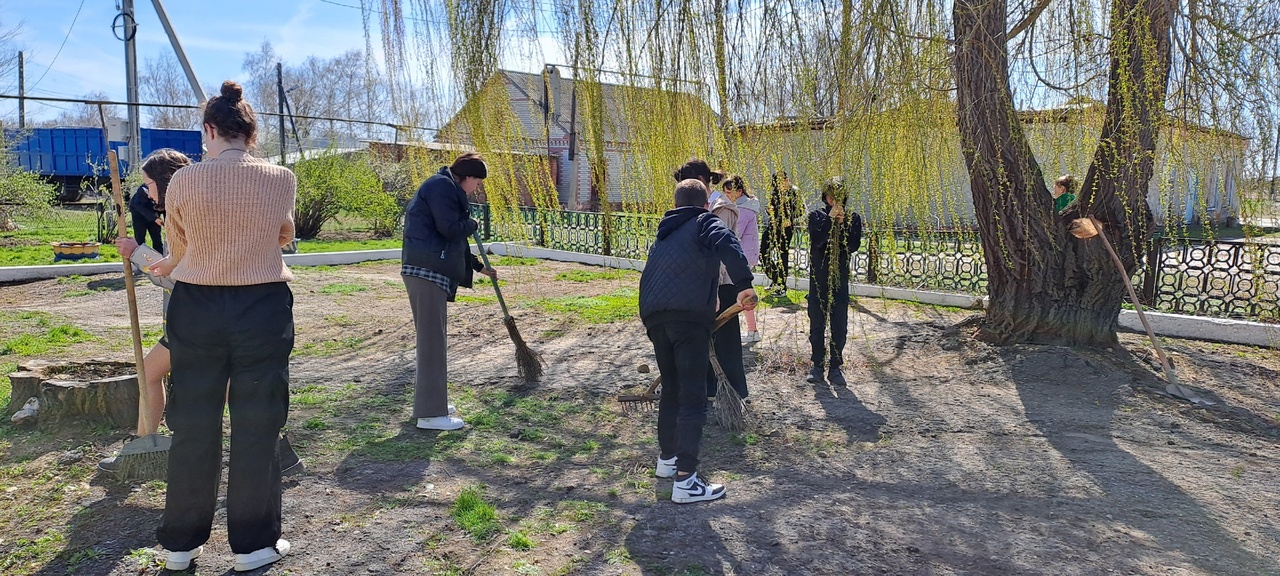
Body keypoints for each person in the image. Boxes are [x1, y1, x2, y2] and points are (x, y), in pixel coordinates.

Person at [148, 81, 296, 573]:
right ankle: (254, 545)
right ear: (250, 133)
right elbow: (284, 237)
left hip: (197, 307)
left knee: (193, 420)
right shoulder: (282, 178)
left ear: (211, 129)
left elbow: (182, 246)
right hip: (262, 304)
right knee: (258, 421)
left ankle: (180, 545)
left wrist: (186, 259)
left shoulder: (183, 182)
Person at [99, 148, 302, 480]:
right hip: (208, 315)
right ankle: (145, 448)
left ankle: (271, 452)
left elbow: (180, 273)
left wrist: (138, 254)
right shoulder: (190, 207)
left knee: (199, 383)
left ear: (165, 182)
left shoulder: (193, 212)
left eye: (149, 185)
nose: (147, 194)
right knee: (209, 383)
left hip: (203, 315)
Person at [640, 178, 757, 504]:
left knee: (673, 391)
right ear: (706, 205)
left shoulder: (665, 233)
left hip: (654, 315)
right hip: (688, 317)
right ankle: (687, 482)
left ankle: (667, 463)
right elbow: (728, 242)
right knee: (692, 397)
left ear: (676, 204)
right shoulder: (705, 221)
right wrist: (743, 284)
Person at [401, 152, 497, 431]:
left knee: (433, 342)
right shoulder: (442, 187)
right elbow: (450, 229)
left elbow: (448, 238)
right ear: (466, 177)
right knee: (432, 345)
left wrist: (478, 268)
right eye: (477, 182)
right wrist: (473, 223)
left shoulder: (444, 186)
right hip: (426, 273)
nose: (476, 188)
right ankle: (431, 415)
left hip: (428, 272)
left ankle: (432, 403)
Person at [704, 175, 757, 403]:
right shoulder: (711, 205)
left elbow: (724, 250)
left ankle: (733, 393)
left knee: (726, 344)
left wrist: (716, 288)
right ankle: (711, 391)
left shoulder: (723, 208)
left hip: (725, 280)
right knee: (710, 341)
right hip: (718, 280)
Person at [805, 177, 862, 387]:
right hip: (818, 278)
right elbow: (818, 240)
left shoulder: (852, 218)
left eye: (837, 196)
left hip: (840, 278)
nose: (833, 200)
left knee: (839, 324)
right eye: (830, 195)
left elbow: (853, 245)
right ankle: (817, 365)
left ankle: (835, 367)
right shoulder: (816, 216)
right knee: (817, 321)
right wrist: (830, 220)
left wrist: (841, 223)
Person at [728, 177, 763, 344]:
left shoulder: (742, 210)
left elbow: (734, 234)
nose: (727, 195)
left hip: (743, 256)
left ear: (739, 192)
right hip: (746, 255)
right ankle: (752, 329)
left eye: (730, 192)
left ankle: (752, 330)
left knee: (743, 292)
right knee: (742, 291)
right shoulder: (745, 207)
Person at [762, 171, 801, 295]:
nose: (779, 186)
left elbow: (801, 211)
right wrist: (769, 211)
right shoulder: (775, 193)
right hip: (772, 226)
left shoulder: (794, 192)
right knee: (763, 251)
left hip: (786, 229)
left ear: (787, 180)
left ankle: (782, 286)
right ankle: (775, 278)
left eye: (782, 182)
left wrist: (791, 220)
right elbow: (772, 208)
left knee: (781, 254)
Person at [130, 180, 164, 251]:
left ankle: (160, 259)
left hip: (154, 214)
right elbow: (138, 206)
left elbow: (164, 207)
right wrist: (154, 218)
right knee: (140, 239)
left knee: (157, 239)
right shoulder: (143, 190)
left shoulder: (163, 190)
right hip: (139, 216)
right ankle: (140, 260)